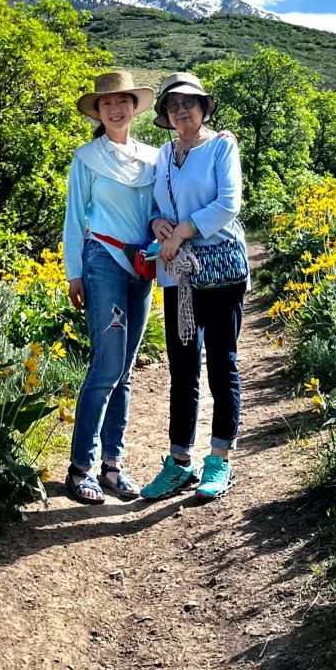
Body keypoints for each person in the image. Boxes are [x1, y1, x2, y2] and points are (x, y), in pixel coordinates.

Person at [141, 72, 248, 504]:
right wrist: (156, 222)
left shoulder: (223, 146)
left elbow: (228, 203)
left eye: (189, 102)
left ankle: (219, 458)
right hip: (178, 274)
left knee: (222, 363)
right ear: (165, 115)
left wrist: (181, 231)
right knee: (182, 366)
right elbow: (153, 204)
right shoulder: (164, 155)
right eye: (172, 104)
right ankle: (179, 460)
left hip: (219, 269)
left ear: (204, 108)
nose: (181, 110)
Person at [62, 70, 159, 504]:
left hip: (143, 266)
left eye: (123, 101)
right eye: (106, 104)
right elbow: (74, 217)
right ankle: (81, 467)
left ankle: (113, 467)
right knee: (106, 367)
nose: (115, 109)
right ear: (98, 112)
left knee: (125, 370)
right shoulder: (87, 157)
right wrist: (73, 272)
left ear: (135, 107)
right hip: (102, 261)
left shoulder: (154, 158)